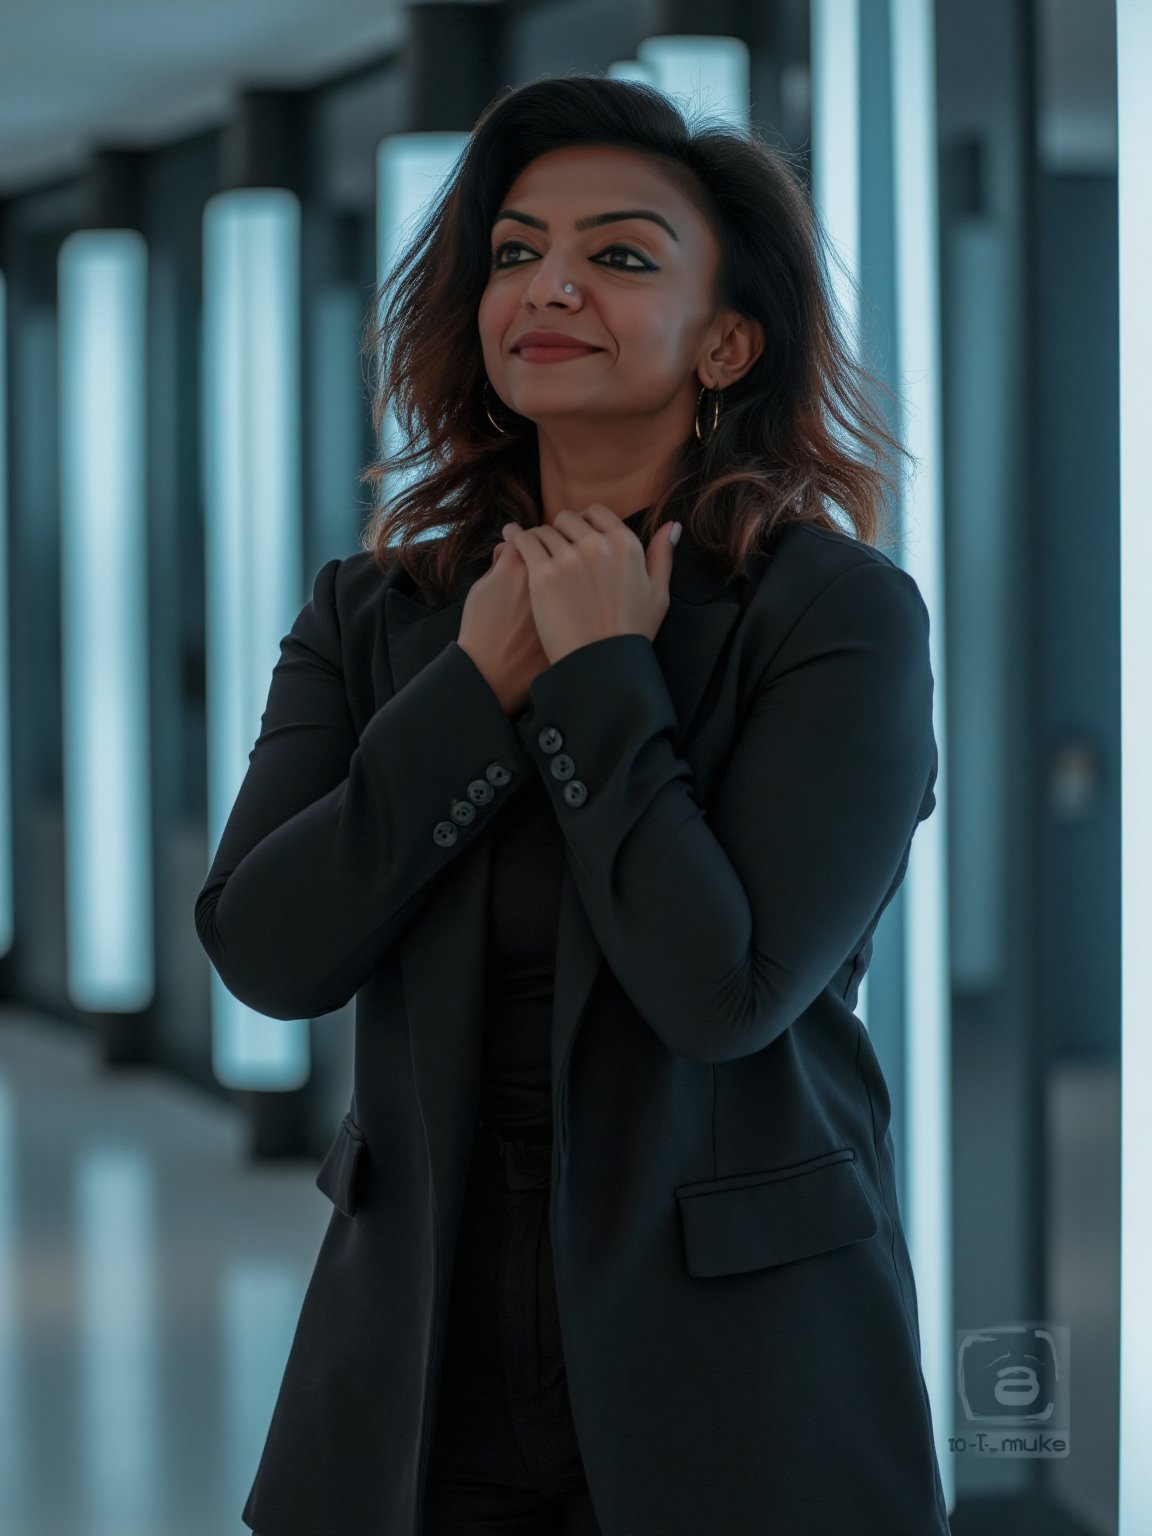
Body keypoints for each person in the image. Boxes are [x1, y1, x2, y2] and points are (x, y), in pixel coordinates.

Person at [198, 73, 951, 1536]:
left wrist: (605, 668)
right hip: (412, 1372)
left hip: (738, 1371)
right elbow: (265, 949)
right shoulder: (378, 615)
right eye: (514, 252)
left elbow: (721, 987)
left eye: (618, 256)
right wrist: (473, 688)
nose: (548, 285)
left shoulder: (836, 616)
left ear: (727, 339)